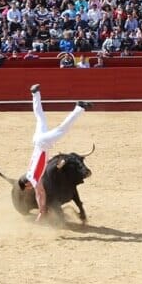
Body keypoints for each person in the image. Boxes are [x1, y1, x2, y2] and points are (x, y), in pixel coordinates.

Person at [24, 84, 89, 220]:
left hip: (43, 144)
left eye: (28, 187)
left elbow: (40, 194)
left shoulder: (34, 180)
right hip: (36, 141)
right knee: (40, 118)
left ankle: (79, 107)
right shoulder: (30, 170)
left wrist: (42, 211)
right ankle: (35, 93)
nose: (30, 188)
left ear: (27, 184)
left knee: (62, 129)